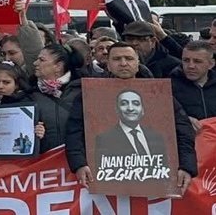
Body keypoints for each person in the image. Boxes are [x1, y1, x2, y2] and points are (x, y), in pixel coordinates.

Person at [65, 42, 196, 194]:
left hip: (156, 183)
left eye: (128, 58)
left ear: (137, 63)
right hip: (107, 184)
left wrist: (186, 166)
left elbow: (183, 131)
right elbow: (74, 131)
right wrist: (79, 164)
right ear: (108, 64)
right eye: (117, 59)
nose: (123, 63)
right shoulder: (90, 95)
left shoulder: (158, 94)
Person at [29, 44, 84, 153]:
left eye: (41, 60)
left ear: (58, 66)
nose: (35, 63)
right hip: (44, 160)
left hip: (76, 158)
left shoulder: (81, 91)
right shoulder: (30, 93)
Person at [171, 40, 216, 130]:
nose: (191, 66)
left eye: (197, 61)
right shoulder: (170, 86)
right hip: (186, 136)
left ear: (211, 64)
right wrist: (183, 120)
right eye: (186, 60)